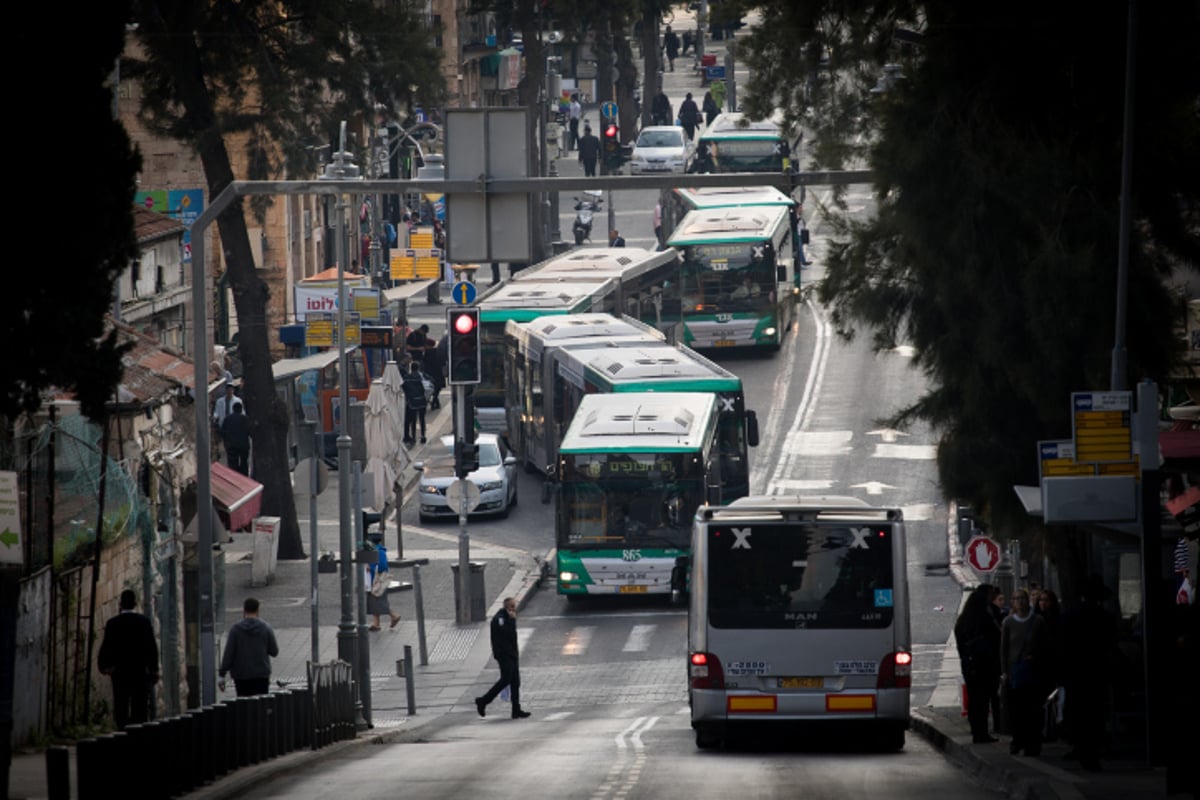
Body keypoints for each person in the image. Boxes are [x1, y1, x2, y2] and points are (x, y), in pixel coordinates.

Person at [1059, 575, 1118, 771]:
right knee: (1095, 711)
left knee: (1078, 711)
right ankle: (1092, 750)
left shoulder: (1069, 616)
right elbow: (1111, 645)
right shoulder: (1106, 617)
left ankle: (1081, 747)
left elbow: (1062, 646)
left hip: (1075, 672)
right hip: (1097, 671)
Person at [97, 589, 160, 730]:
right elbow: (151, 648)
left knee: (121, 705)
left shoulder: (113, 624)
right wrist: (154, 669)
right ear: (135, 604)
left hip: (120, 673)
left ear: (120, 604)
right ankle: (138, 737)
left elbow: (107, 646)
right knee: (140, 707)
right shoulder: (144, 622)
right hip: (139, 672)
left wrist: (104, 666)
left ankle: (122, 733)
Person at [1000, 588, 1050, 757]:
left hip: (1034, 672)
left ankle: (1033, 743)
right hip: (1015, 673)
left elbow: (1045, 645)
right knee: (1017, 711)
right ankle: (1018, 740)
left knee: (1034, 710)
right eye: (1016, 599)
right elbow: (1004, 649)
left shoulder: (1038, 621)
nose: (1019, 602)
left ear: (1028, 600)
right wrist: (1005, 672)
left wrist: (1036, 658)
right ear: (1012, 602)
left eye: (1022, 598)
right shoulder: (1008, 622)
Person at [954, 584, 1002, 743]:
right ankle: (982, 732)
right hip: (984, 664)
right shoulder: (984, 619)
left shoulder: (962, 621)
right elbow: (995, 639)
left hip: (969, 664)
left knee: (975, 699)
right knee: (983, 700)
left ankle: (977, 731)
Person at [475, 597, 531, 719]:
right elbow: (506, 634)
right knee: (506, 679)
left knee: (515, 682)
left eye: (514, 606)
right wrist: (511, 620)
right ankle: (483, 701)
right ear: (506, 607)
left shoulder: (508, 617)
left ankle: (516, 709)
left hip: (512, 654)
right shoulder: (500, 619)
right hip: (504, 655)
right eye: (512, 606)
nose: (514, 609)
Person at [218, 597, 279, 697]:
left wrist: (222, 675)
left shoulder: (235, 630)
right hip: (261, 675)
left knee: (244, 707)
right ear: (258, 610)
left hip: (241, 675)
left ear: (244, 610)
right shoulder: (265, 628)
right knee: (260, 706)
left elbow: (229, 653)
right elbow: (274, 651)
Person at [366, 536, 401, 631]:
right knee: (374, 600)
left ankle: (394, 615)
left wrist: (371, 570)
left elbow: (382, 566)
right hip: (374, 579)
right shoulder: (377, 550)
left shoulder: (378, 552)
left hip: (377, 579)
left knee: (378, 599)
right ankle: (376, 623)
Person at [402, 360, 429, 446]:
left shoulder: (406, 378)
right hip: (422, 401)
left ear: (411, 368)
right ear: (418, 368)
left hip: (412, 402)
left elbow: (403, 387)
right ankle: (423, 436)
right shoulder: (423, 376)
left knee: (413, 420)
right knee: (422, 419)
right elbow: (431, 382)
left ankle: (413, 437)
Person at [221, 400, 251, 476]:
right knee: (244, 463)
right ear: (241, 409)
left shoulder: (228, 419)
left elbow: (223, 431)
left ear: (233, 409)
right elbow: (250, 431)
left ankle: (234, 478)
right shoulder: (246, 419)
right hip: (243, 445)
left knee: (232, 464)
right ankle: (244, 477)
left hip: (232, 445)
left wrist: (226, 442)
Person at [425, 334, 446, 410]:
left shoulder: (427, 354)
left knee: (432, 389)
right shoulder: (437, 352)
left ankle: (435, 401)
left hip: (430, 374)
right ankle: (435, 401)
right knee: (436, 389)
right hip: (438, 374)